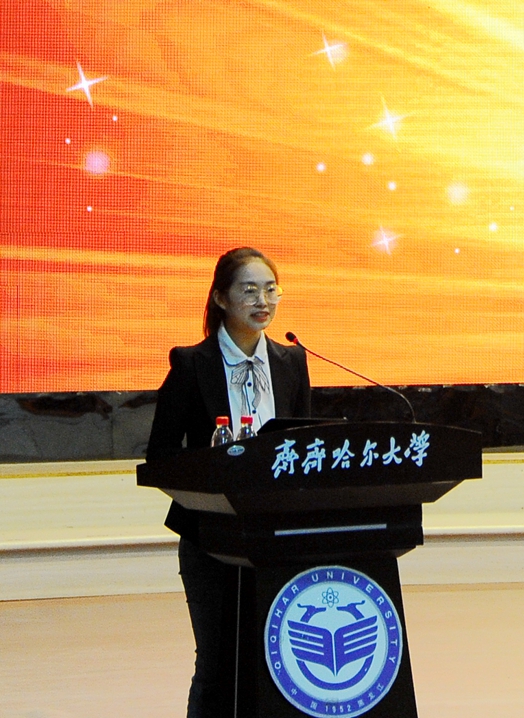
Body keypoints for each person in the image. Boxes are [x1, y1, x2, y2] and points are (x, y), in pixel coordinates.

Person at [147, 247, 311, 717]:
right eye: (250, 290)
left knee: (278, 661)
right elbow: (161, 457)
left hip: (279, 536)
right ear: (220, 298)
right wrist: (212, 483)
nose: (263, 301)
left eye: (271, 290)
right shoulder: (191, 364)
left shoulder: (291, 362)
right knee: (217, 663)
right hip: (211, 537)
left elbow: (303, 448)